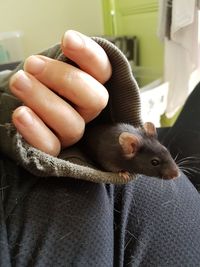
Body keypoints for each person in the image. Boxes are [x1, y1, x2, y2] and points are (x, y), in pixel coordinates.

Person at [0, 30, 200, 267]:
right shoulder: (118, 152)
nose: (173, 173)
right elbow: (106, 159)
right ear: (129, 147)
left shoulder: (137, 142)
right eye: (158, 163)